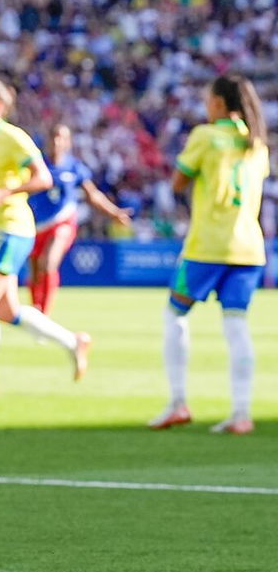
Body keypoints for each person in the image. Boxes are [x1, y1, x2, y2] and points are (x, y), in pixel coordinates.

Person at [0, 79, 91, 400]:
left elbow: (43, 178)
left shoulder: (12, 137)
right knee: (7, 311)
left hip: (11, 227)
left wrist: (7, 192)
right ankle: (74, 342)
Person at [149, 75, 270, 435]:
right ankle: (242, 412)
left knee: (175, 315)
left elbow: (177, 182)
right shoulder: (257, 143)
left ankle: (177, 402)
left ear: (218, 103)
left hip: (208, 245)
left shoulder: (206, 136)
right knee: (236, 325)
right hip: (249, 247)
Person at [27, 124, 132, 314]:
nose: (56, 141)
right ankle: (36, 309)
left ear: (68, 142)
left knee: (48, 262)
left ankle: (44, 312)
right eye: (53, 137)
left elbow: (93, 195)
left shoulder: (74, 167)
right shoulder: (36, 164)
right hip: (36, 225)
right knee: (35, 271)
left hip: (62, 221)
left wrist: (114, 212)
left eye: (61, 137)